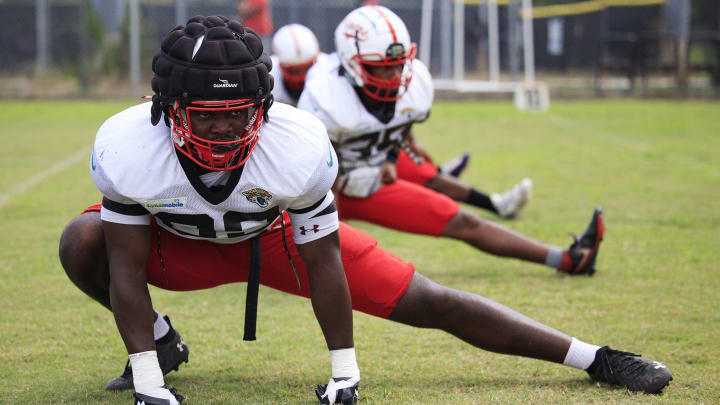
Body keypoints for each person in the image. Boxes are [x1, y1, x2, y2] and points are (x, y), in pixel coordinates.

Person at [58, 15, 672, 405]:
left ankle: (596, 357)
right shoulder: (130, 146)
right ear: (165, 107)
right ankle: (163, 347)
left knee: (431, 300)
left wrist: (345, 373)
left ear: (264, 104)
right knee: (81, 240)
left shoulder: (295, 144)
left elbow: (324, 263)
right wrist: (148, 382)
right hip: (180, 244)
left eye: (242, 110)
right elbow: (123, 263)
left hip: (277, 238)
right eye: (208, 113)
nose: (227, 125)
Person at [297, 6, 598, 276]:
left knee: (465, 223)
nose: (395, 74)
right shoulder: (325, 96)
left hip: (369, 184)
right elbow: (320, 176)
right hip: (321, 191)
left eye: (400, 63)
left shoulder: (414, 87)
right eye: (383, 66)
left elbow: (402, 124)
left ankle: (568, 259)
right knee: (327, 255)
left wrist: (390, 159)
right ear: (352, 64)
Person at [271, 23, 531, 219]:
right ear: (280, 64)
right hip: (317, 159)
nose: (302, 76)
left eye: (308, 66)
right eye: (294, 71)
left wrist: (406, 143)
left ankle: (495, 203)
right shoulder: (270, 82)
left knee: (426, 173)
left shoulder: (327, 73)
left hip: (362, 147)